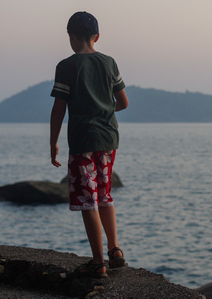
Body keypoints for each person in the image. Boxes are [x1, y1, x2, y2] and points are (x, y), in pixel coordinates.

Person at [50, 11, 129, 278]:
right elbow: (124, 102)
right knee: (105, 195)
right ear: (97, 37)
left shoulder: (67, 66)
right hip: (108, 139)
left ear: (71, 36)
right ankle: (115, 250)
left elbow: (58, 110)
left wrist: (54, 143)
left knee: (88, 201)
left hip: (83, 140)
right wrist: (104, 110)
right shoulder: (109, 62)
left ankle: (98, 262)